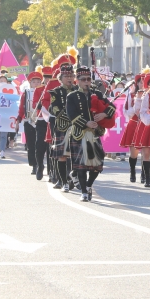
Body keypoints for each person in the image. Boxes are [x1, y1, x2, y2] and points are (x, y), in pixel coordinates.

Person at [65, 64, 116, 202]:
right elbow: (72, 115)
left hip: (94, 134)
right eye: (83, 79)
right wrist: (86, 123)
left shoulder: (97, 94)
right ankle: (83, 192)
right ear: (78, 80)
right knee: (81, 166)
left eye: (88, 79)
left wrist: (104, 115)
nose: (86, 82)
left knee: (97, 166)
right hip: (79, 133)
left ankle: (88, 185)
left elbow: (112, 107)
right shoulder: (72, 96)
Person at [43, 63, 76, 192]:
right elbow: (53, 107)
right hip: (62, 126)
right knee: (62, 155)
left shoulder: (78, 90)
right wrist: (64, 114)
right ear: (60, 78)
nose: (69, 78)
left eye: (71, 76)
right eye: (66, 76)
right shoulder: (56, 92)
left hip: (77, 126)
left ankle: (73, 177)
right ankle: (63, 181)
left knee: (77, 155)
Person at [17, 71, 45, 176]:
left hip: (40, 121)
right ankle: (34, 165)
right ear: (30, 83)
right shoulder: (26, 93)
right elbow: (21, 107)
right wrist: (19, 118)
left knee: (40, 144)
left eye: (38, 81)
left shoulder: (43, 92)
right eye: (34, 82)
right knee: (31, 144)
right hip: (28, 121)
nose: (36, 83)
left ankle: (40, 163)